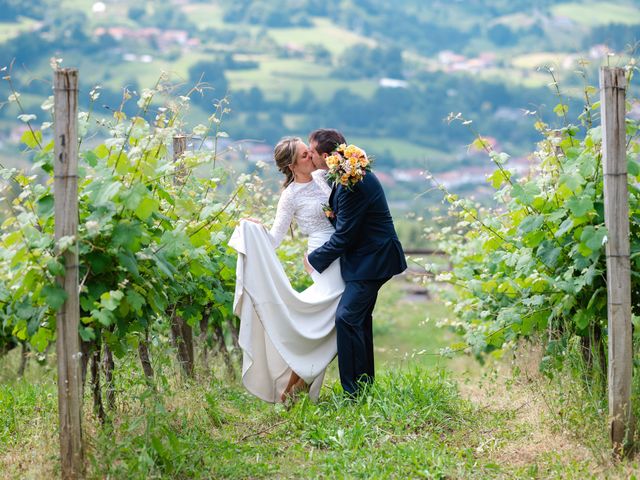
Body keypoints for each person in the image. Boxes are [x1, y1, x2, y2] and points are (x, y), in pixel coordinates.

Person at [229, 137, 344, 403]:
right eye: (305, 155)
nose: (312, 157)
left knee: (334, 321)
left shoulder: (324, 179)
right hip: (323, 258)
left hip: (340, 251)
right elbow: (273, 240)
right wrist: (253, 229)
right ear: (292, 165)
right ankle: (294, 388)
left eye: (311, 152)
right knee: (332, 320)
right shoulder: (290, 196)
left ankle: (295, 388)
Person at [306, 129, 407, 397]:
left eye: (312, 152)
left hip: (373, 259)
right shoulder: (344, 175)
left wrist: (314, 260)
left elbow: (345, 236)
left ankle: (353, 393)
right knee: (358, 320)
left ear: (325, 155)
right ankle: (363, 389)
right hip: (367, 258)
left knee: (347, 319)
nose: (310, 156)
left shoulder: (353, 180)